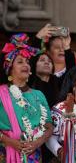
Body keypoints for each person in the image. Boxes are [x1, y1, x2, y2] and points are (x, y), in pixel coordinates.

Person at [0, 33, 53, 163]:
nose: (25, 65)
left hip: (33, 153)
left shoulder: (38, 95)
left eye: (27, 62)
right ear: (10, 69)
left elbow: (49, 126)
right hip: (5, 152)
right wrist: (10, 141)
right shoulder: (1, 93)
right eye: (20, 62)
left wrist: (37, 143)